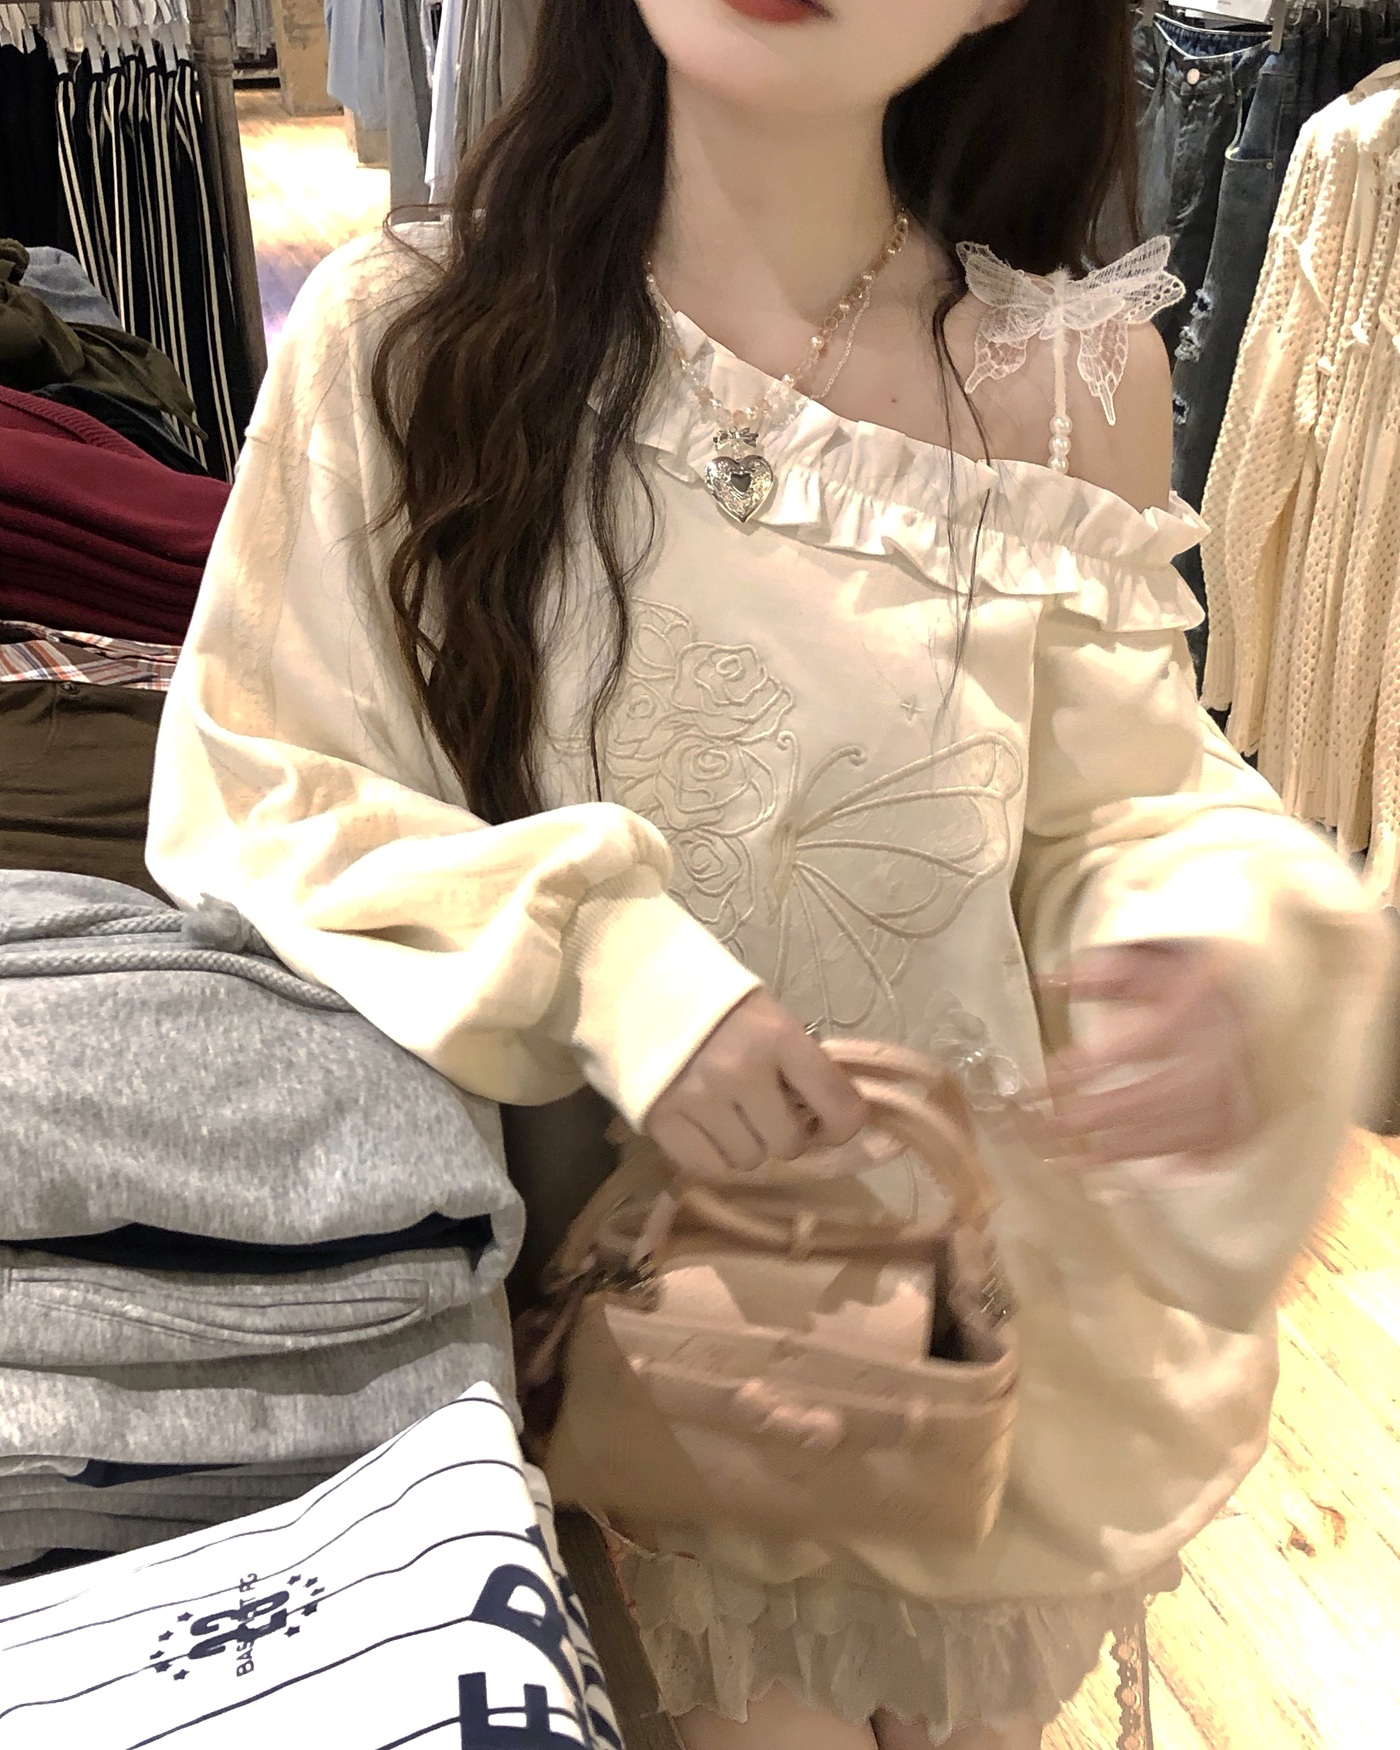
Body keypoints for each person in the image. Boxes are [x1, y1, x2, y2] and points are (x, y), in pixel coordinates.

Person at [145, 2, 1383, 1746]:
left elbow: (1120, 801)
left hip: (923, 1387)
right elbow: (263, 791)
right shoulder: (407, 341)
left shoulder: (1063, 381)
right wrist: (613, 965)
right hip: (561, 1418)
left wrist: (1204, 937)